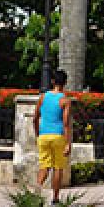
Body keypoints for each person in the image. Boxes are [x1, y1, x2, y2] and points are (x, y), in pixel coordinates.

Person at [35, 70, 72, 199]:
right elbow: (66, 123)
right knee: (57, 168)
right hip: (58, 136)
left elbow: (35, 117)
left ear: (52, 81)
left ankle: (37, 192)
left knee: (44, 166)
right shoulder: (65, 101)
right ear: (65, 83)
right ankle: (55, 198)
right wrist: (68, 143)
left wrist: (37, 134)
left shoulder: (43, 97)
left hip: (43, 136)